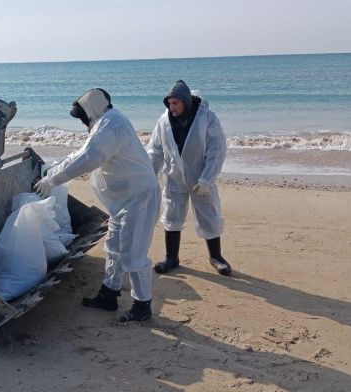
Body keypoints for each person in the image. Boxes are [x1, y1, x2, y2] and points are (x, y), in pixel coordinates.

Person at [35, 88, 160, 322]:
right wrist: (52, 169)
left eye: (82, 117)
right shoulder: (106, 122)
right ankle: (108, 295)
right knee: (114, 247)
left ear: (90, 111)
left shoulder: (110, 127)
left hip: (138, 199)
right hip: (123, 201)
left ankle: (142, 306)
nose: (83, 122)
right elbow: (80, 154)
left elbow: (87, 159)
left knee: (134, 253)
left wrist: (52, 180)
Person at [147, 79, 232, 276]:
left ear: (186, 101)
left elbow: (216, 151)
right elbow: (156, 151)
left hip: (200, 176)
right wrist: (149, 175)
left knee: (209, 215)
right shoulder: (164, 121)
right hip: (174, 177)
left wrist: (207, 179)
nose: (172, 107)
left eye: (175, 103)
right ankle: (171, 257)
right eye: (169, 103)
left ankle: (216, 257)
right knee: (171, 215)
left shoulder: (207, 118)